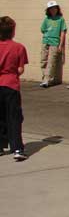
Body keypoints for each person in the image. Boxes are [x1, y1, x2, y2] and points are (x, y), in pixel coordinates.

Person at [0, 16, 29, 161]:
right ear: (12, 31)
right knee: (14, 117)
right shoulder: (19, 47)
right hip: (11, 85)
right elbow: (20, 69)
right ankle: (17, 148)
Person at [39, 0, 66, 87]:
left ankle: (47, 80)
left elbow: (63, 32)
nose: (53, 10)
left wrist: (61, 45)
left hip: (54, 42)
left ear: (57, 9)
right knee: (43, 60)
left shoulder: (60, 19)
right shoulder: (47, 19)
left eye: (54, 8)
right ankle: (44, 78)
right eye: (51, 8)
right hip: (45, 41)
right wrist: (47, 33)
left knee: (51, 61)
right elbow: (42, 29)